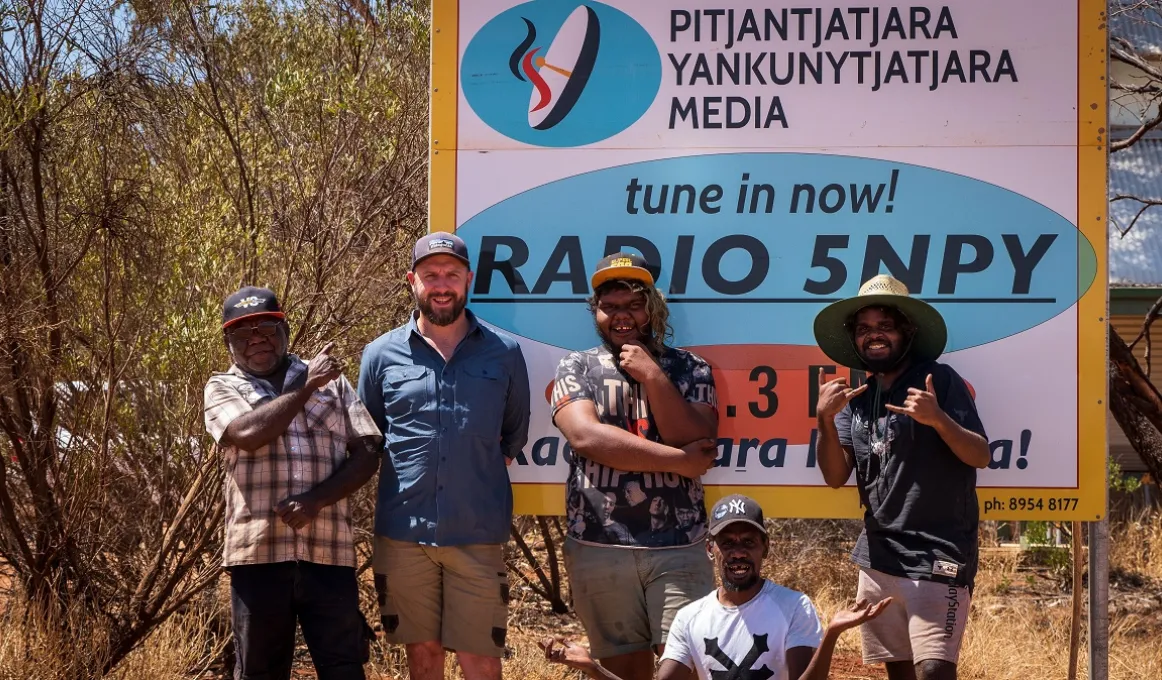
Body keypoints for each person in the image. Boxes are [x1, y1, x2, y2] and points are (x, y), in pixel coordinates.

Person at [357, 232, 531, 680]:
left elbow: (512, 437)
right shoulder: (380, 355)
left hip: (476, 533)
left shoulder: (505, 353)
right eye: (430, 274)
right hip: (403, 534)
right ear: (412, 280)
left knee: (481, 660)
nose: (441, 284)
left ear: (468, 279)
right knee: (424, 656)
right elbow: (368, 437)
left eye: (451, 274)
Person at [549, 252, 721, 680]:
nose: (621, 316)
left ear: (653, 309)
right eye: (610, 307)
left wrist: (654, 376)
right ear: (596, 311)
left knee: (685, 668)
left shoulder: (689, 367)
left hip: (678, 546)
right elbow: (586, 437)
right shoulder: (577, 365)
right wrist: (680, 463)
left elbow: (695, 436)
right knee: (622, 673)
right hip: (599, 545)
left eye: (633, 305)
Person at [812, 274, 990, 680]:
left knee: (933, 672)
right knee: (901, 674)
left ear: (906, 332)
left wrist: (938, 419)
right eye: (864, 329)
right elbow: (836, 476)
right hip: (878, 558)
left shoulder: (938, 380)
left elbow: (980, 454)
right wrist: (823, 419)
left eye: (885, 326)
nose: (874, 336)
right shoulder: (855, 402)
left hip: (938, 554)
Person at [203, 286, 382, 680]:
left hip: (329, 554)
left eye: (266, 330)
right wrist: (304, 387)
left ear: (284, 330)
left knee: (344, 668)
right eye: (242, 335)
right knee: (260, 671)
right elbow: (248, 434)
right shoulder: (222, 387)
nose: (257, 342)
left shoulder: (332, 383)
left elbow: (369, 449)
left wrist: (316, 500)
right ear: (227, 342)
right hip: (258, 556)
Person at [540, 493, 893, 680]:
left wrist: (830, 634)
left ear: (765, 548)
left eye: (748, 542)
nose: (738, 552)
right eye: (728, 543)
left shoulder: (794, 606)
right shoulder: (691, 618)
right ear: (711, 549)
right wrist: (592, 667)